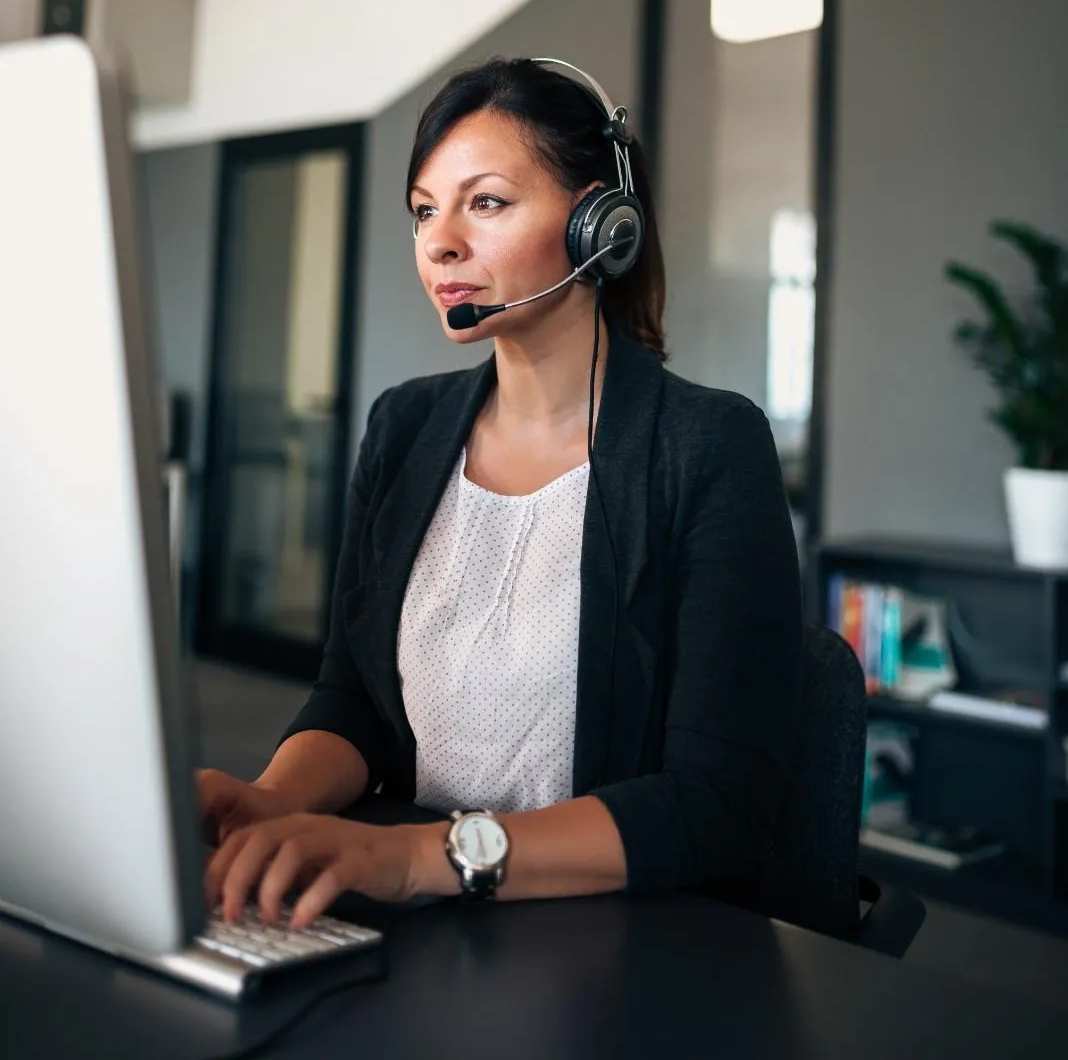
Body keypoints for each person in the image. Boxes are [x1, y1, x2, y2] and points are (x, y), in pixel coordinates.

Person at [200, 57, 803, 929]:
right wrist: (272, 800)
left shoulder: (706, 447)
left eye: (485, 201)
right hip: (412, 908)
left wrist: (417, 856)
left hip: (609, 933)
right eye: (423, 209)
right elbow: (356, 698)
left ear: (600, 223)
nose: (440, 239)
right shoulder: (404, 427)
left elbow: (719, 805)